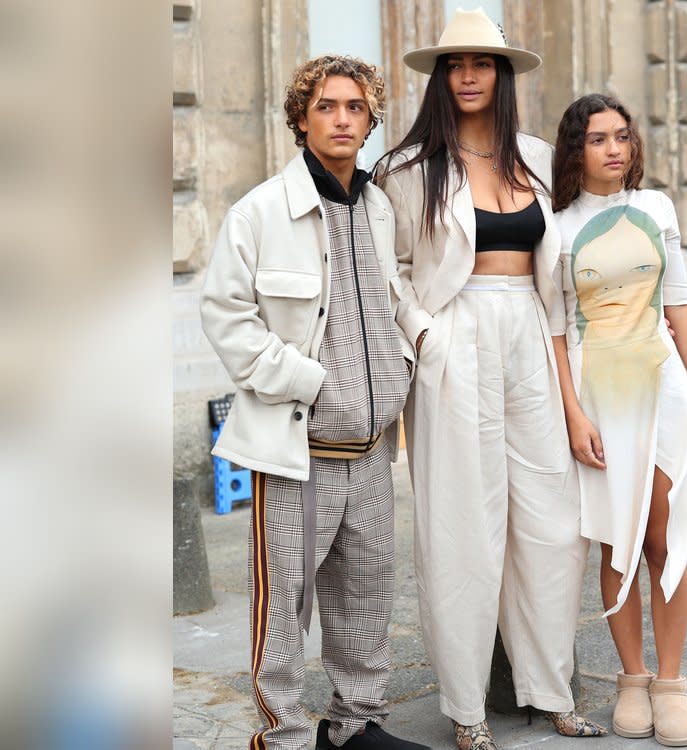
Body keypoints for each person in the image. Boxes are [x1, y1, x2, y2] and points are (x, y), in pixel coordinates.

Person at [376, 8, 604, 750]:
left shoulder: (537, 158)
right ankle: (468, 709)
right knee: (462, 529)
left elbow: (566, 265)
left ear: (502, 76)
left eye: (482, 63)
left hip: (532, 338)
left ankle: (550, 689)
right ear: (440, 78)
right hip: (456, 337)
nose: (468, 74)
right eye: (454, 64)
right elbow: (391, 274)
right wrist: (428, 339)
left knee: (551, 522)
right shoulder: (407, 169)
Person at [200, 55, 430, 750]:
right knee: (282, 613)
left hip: (371, 454)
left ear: (369, 122)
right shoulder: (262, 211)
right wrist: (310, 380)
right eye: (326, 106)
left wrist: (407, 363)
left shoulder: (380, 205)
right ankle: (285, 736)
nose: (340, 118)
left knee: (365, 600)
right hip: (296, 451)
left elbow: (393, 301)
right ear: (301, 119)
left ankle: (357, 726)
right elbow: (226, 317)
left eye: (354, 108)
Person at [550, 93, 687, 747]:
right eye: (598, 139)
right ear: (575, 150)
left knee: (664, 538)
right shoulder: (556, 225)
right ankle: (632, 678)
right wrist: (570, 413)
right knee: (617, 538)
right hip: (600, 394)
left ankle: (672, 684)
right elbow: (556, 331)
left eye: (622, 136)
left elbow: (679, 302)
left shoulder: (657, 209)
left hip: (666, 386)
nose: (615, 148)